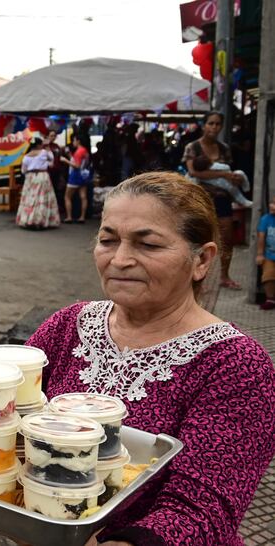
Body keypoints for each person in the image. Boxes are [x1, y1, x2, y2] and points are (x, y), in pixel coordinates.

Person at [26, 172, 275, 546]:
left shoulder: (237, 365)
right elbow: (5, 413)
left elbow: (202, 511)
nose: (120, 259)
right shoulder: (68, 326)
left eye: (149, 245)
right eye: (108, 240)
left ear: (202, 260)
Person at [184, 111, 244, 290]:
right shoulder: (192, 147)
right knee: (198, 239)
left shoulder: (224, 148)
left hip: (222, 198)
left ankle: (224, 276)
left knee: (227, 239)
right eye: (211, 123)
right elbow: (194, 172)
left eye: (217, 124)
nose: (214, 127)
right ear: (204, 125)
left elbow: (227, 172)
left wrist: (231, 177)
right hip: (200, 199)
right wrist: (224, 174)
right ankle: (195, 276)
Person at [15, 137, 60, 229]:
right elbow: (51, 158)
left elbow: (23, 170)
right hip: (42, 176)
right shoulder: (43, 153)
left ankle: (28, 219)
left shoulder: (26, 156)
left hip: (30, 178)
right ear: (39, 145)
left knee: (29, 199)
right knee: (41, 199)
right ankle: (41, 220)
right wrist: (47, 148)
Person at [61, 135, 90, 223]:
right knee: (83, 196)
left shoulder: (78, 152)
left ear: (78, 141)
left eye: (74, 140)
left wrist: (65, 160)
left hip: (75, 176)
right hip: (84, 175)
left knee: (67, 196)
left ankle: (69, 217)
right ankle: (82, 217)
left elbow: (76, 166)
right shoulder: (85, 150)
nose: (73, 142)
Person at [256, 195, 275, 310]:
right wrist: (260, 254)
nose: (272, 206)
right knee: (268, 275)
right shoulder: (265, 219)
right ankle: (270, 299)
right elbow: (261, 238)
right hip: (269, 255)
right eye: (271, 203)